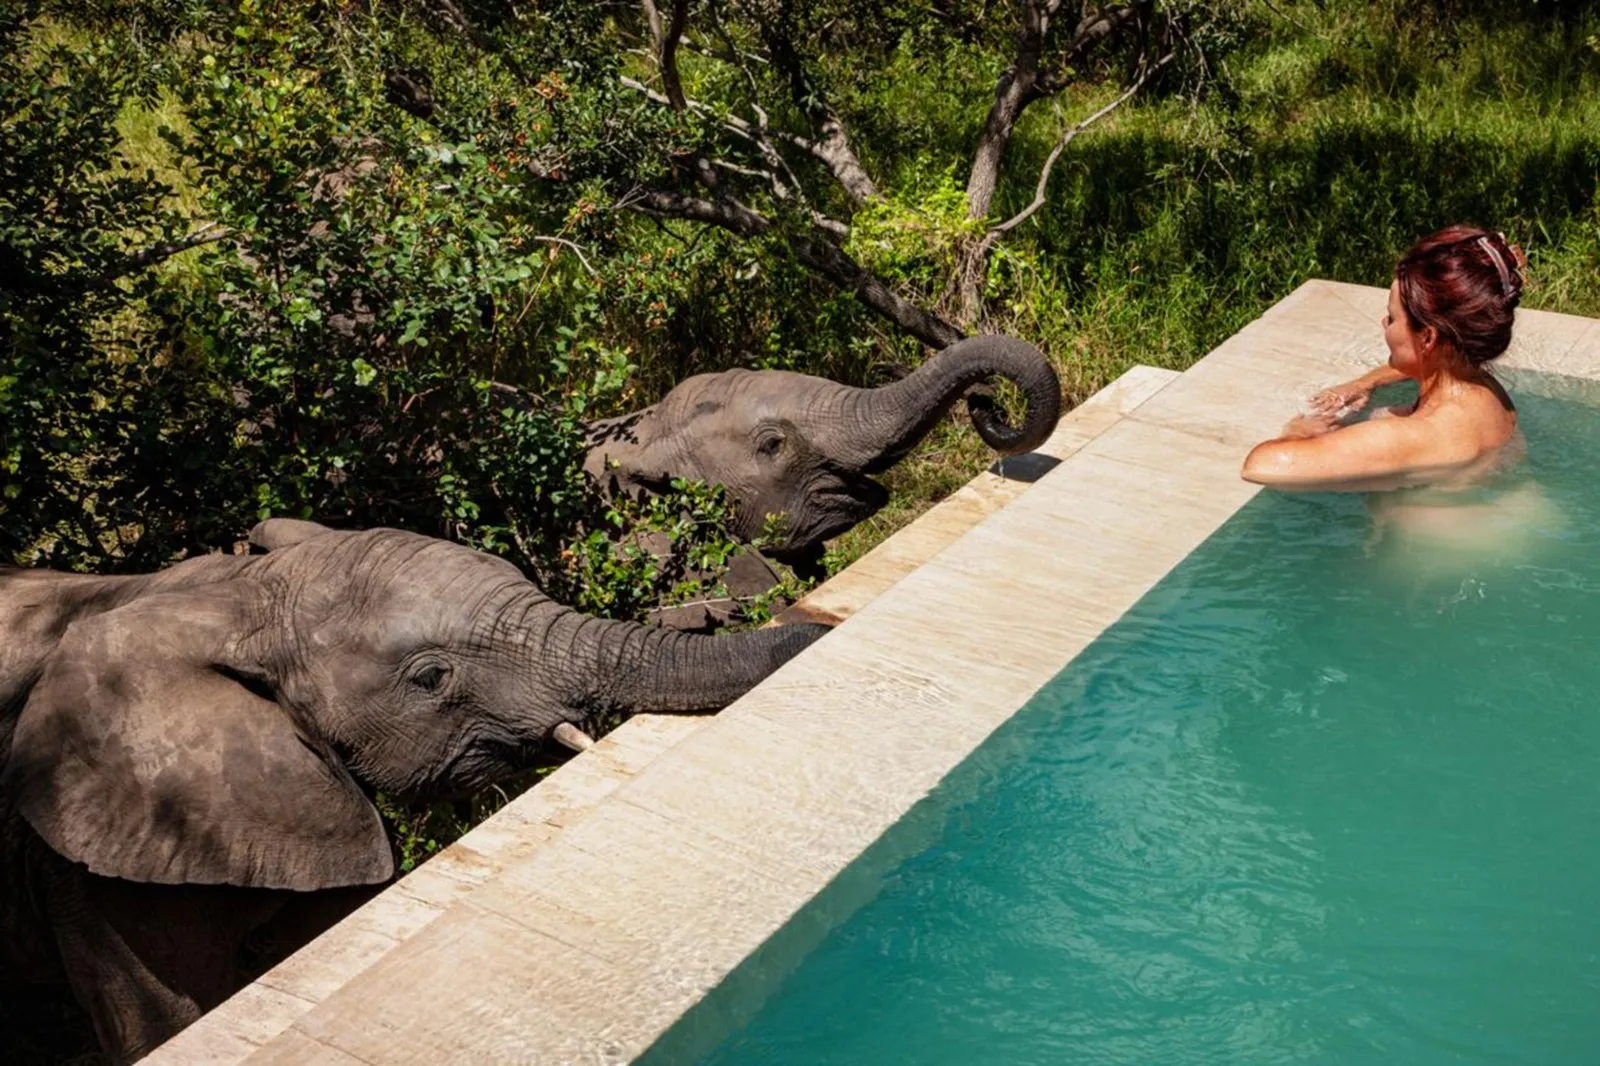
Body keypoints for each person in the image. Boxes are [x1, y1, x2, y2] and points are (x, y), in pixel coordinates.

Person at [1241, 225, 1527, 492]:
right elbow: (1429, 363)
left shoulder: (1415, 435)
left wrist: (1297, 433)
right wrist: (1365, 382)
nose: (1383, 323)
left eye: (1391, 318)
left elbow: (1260, 465)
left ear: (1427, 338)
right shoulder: (1484, 390)